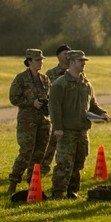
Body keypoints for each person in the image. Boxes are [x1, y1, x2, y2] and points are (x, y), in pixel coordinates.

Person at [49, 50, 106, 200]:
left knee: (79, 163)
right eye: (81, 61)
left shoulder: (86, 84)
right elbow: (54, 107)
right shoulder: (60, 84)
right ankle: (58, 192)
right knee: (64, 163)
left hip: (82, 131)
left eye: (84, 61)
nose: (83, 64)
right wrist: (58, 128)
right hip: (67, 131)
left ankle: (72, 191)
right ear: (72, 62)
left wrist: (101, 113)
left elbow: (92, 104)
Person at [7, 49, 52, 194]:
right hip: (27, 121)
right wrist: (31, 103)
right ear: (29, 62)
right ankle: (13, 182)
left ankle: (32, 184)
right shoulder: (21, 78)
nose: (41, 62)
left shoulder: (45, 79)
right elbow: (14, 98)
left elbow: (50, 96)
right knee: (26, 152)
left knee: (39, 154)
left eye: (42, 60)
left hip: (43, 121)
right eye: (38, 60)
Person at [41, 44, 71, 175]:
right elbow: (45, 93)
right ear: (58, 56)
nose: (67, 56)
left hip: (70, 114)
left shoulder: (74, 72)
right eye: (64, 53)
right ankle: (43, 168)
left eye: (68, 53)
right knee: (51, 143)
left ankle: (66, 168)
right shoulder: (51, 74)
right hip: (56, 114)